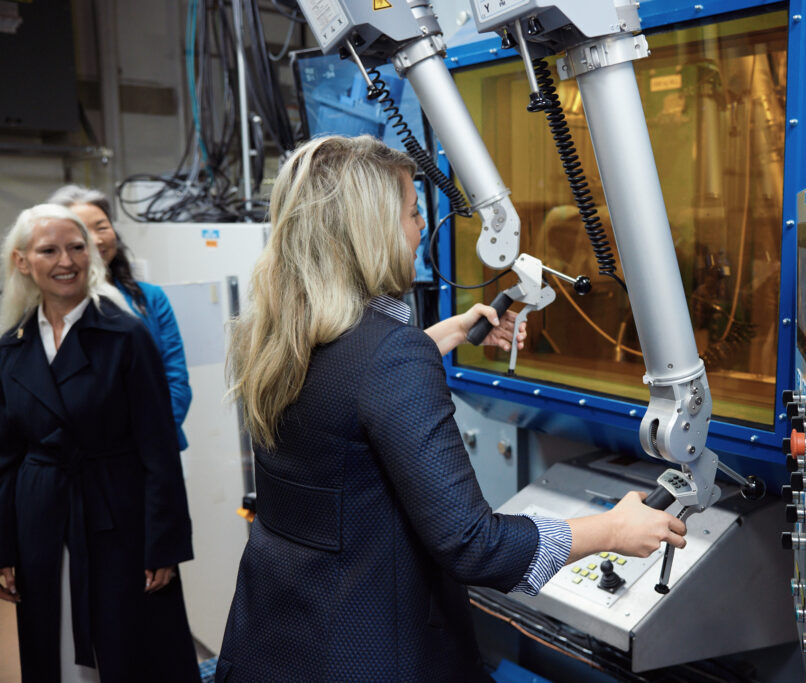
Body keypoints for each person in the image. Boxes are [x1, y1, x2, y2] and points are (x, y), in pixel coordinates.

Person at [215, 135, 687, 681]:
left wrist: (441, 336)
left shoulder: (273, 335)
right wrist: (611, 529)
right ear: (370, 231)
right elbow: (473, 544)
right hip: (367, 656)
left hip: (276, 639)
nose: (421, 228)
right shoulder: (390, 357)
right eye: (413, 213)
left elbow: (344, 390)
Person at [0, 204, 200, 682]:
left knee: (129, 647)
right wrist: (4, 546)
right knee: (55, 643)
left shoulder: (126, 334)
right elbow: (4, 459)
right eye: (49, 250)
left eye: (76, 248)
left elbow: (158, 448)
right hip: (41, 516)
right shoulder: (13, 346)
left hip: (118, 514)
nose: (66, 260)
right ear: (23, 261)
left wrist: (163, 546)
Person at [48, 185, 193, 451]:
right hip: (80, 461)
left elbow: (176, 381)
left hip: (154, 450)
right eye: (81, 230)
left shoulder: (150, 298)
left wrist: (150, 441)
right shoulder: (50, 308)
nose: (96, 240)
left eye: (102, 227)